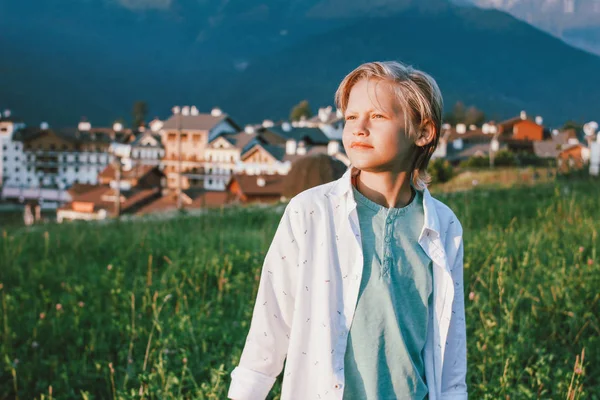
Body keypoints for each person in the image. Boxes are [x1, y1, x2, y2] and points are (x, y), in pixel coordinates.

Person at [228, 61, 467, 400]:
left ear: (423, 132)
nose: (359, 128)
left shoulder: (443, 227)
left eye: (378, 116)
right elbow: (270, 325)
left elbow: (451, 345)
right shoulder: (310, 212)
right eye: (351, 117)